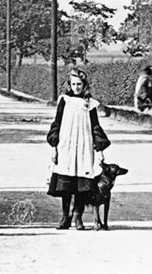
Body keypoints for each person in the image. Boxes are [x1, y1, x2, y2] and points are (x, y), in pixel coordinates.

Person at [46, 68, 111, 229]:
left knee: (82, 185)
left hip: (83, 146)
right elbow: (57, 123)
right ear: (69, 85)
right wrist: (54, 147)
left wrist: (100, 149)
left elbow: (95, 126)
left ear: (84, 85)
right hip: (66, 146)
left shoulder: (90, 103)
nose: (76, 87)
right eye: (73, 84)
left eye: (79, 84)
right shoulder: (64, 100)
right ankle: (64, 217)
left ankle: (78, 217)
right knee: (66, 184)